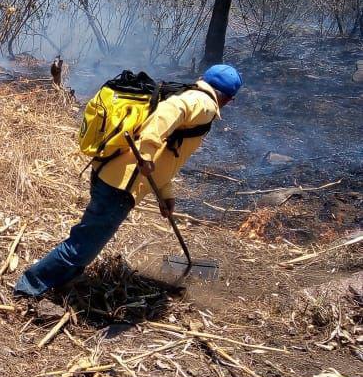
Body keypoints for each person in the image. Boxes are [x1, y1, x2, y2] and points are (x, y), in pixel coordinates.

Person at [14, 64, 243, 300]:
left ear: (203, 79)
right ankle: (28, 287)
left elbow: (169, 154)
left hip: (112, 174)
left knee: (87, 240)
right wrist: (145, 152)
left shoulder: (191, 94)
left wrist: (166, 194)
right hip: (120, 185)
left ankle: (62, 281)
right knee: (83, 246)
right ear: (229, 100)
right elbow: (167, 113)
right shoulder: (202, 104)